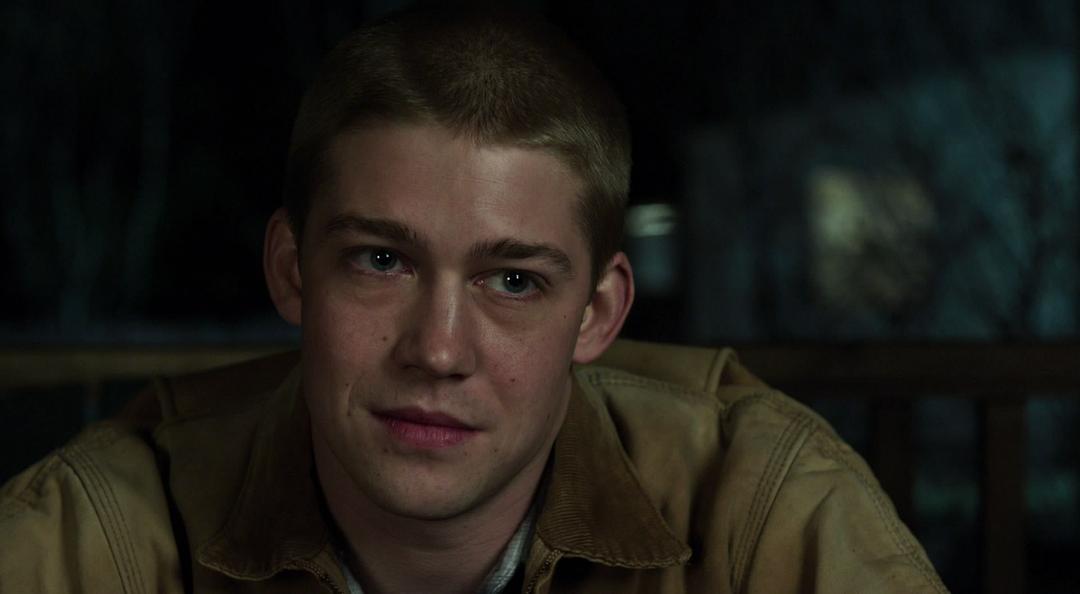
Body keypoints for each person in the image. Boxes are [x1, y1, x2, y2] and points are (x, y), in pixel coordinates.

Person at [0, 4, 947, 593]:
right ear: (291, 271)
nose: (439, 350)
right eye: (381, 260)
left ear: (598, 315)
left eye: (514, 281)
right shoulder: (104, 533)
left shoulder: (759, 504)